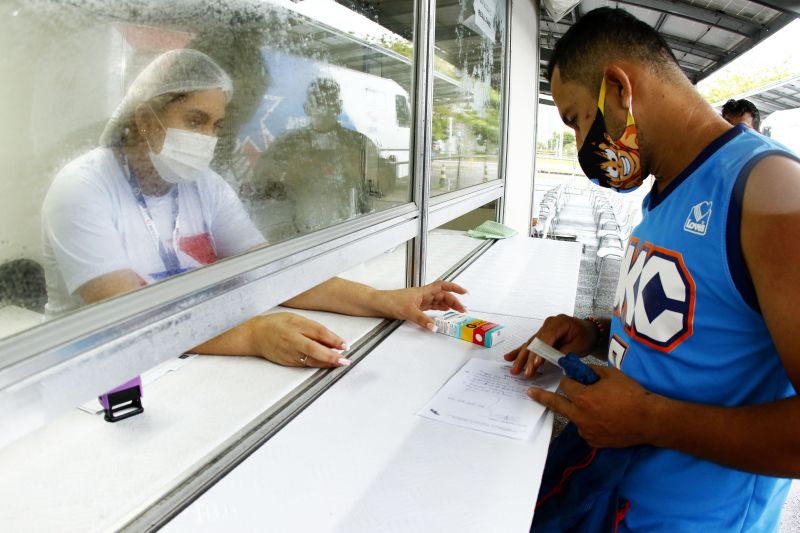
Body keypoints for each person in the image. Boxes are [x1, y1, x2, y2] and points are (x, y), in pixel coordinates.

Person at [504, 8, 800, 531]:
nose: (579, 146)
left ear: (618, 88)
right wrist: (595, 332)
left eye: (576, 120)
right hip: (618, 504)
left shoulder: (769, 189)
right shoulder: (664, 195)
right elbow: (694, 327)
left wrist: (647, 420)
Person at [42, 49, 466, 369]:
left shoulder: (203, 186)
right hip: (97, 380)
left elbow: (269, 272)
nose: (208, 137)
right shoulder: (83, 188)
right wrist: (251, 334)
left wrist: (381, 299)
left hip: (190, 361)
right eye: (195, 121)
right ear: (146, 118)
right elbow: (128, 315)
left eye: (216, 125)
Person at [249, 77, 381, 236]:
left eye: (329, 102)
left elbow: (382, 187)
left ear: (339, 107)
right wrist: (286, 177)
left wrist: (361, 173)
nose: (323, 108)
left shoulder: (358, 144)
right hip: (301, 235)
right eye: (317, 102)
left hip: (348, 234)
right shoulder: (288, 144)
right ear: (306, 107)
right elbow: (260, 185)